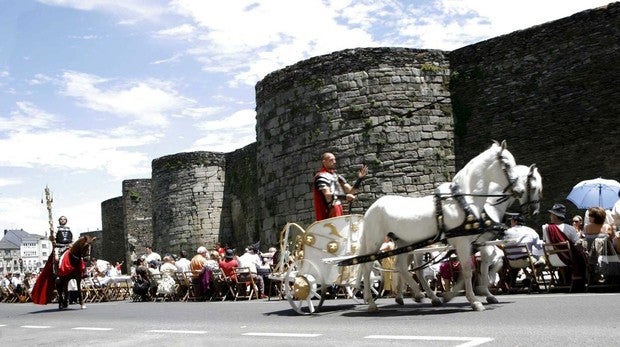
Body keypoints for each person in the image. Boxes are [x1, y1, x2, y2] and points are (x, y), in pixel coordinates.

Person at [541, 203, 587, 290]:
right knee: (580, 256)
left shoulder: (545, 228)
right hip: (567, 259)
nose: (550, 216)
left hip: (552, 259)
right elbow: (576, 243)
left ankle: (564, 280)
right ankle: (578, 281)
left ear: (555, 216)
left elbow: (545, 241)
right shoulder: (569, 228)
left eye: (551, 214)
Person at [313, 152, 368, 221]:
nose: (334, 162)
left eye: (334, 159)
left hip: (341, 208)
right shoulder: (321, 176)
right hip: (331, 210)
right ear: (324, 162)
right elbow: (327, 195)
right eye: (331, 160)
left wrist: (359, 179)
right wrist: (345, 197)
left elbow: (350, 191)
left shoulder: (337, 176)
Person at [502, 214, 545, 288]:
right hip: (526, 260)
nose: (510, 222)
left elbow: (503, 244)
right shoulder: (530, 231)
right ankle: (531, 278)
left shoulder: (506, 232)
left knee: (526, 257)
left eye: (511, 221)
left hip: (510, 262)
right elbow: (539, 246)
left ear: (515, 221)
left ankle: (529, 277)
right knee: (543, 260)